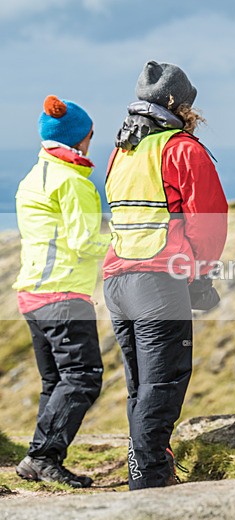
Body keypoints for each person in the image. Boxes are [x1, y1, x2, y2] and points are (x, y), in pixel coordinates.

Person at [103, 61, 228, 489]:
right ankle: (150, 483)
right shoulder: (182, 149)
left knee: (141, 387)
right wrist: (201, 276)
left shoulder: (122, 151)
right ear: (181, 106)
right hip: (157, 282)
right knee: (163, 384)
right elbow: (209, 224)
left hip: (117, 281)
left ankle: (146, 473)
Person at [14, 95, 109, 487]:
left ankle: (39, 459)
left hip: (32, 294)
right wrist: (126, 244)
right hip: (63, 295)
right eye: (91, 135)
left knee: (56, 382)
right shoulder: (73, 182)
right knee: (83, 376)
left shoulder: (34, 177)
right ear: (80, 138)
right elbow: (86, 242)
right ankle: (43, 457)